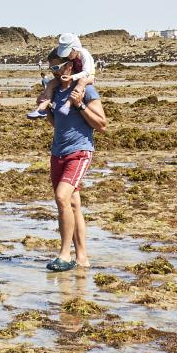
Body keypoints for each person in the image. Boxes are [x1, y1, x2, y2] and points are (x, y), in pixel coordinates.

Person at [35, 55, 107, 271]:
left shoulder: (86, 90)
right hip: (58, 152)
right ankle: (82, 257)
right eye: (51, 68)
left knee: (61, 197)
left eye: (57, 67)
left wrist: (80, 105)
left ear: (70, 65)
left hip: (80, 152)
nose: (54, 72)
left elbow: (102, 124)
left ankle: (64, 255)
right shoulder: (55, 91)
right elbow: (58, 124)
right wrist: (46, 110)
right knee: (73, 204)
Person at [28, 33, 96, 118]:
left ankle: (68, 105)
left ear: (75, 49)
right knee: (50, 84)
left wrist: (72, 77)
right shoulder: (72, 56)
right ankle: (41, 109)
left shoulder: (84, 54)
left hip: (89, 76)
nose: (67, 55)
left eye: (68, 53)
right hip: (74, 75)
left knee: (81, 82)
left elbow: (87, 72)